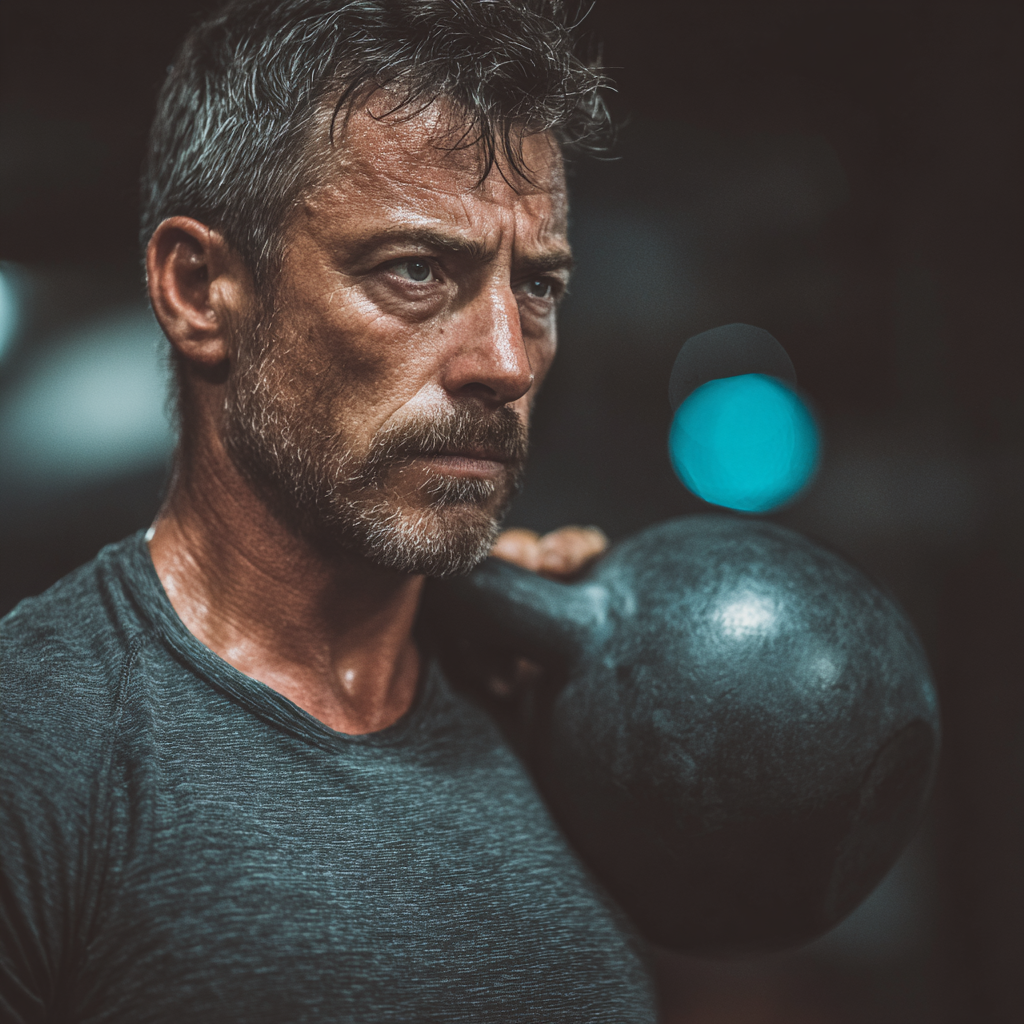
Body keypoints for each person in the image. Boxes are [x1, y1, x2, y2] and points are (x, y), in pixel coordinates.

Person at [0, 1, 658, 1020]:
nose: (505, 361)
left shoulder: (551, 709)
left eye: (536, 286)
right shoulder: (36, 749)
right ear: (200, 288)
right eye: (414, 270)